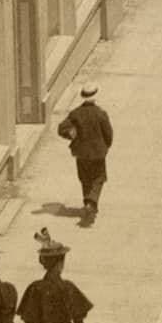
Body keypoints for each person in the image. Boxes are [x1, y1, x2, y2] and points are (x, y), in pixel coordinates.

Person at [56, 86, 113, 226]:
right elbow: (109, 134)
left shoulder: (75, 113)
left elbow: (62, 128)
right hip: (98, 153)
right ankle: (91, 203)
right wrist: (105, 146)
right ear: (96, 96)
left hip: (81, 152)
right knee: (99, 178)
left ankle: (88, 202)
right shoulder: (101, 114)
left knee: (84, 177)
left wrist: (71, 134)